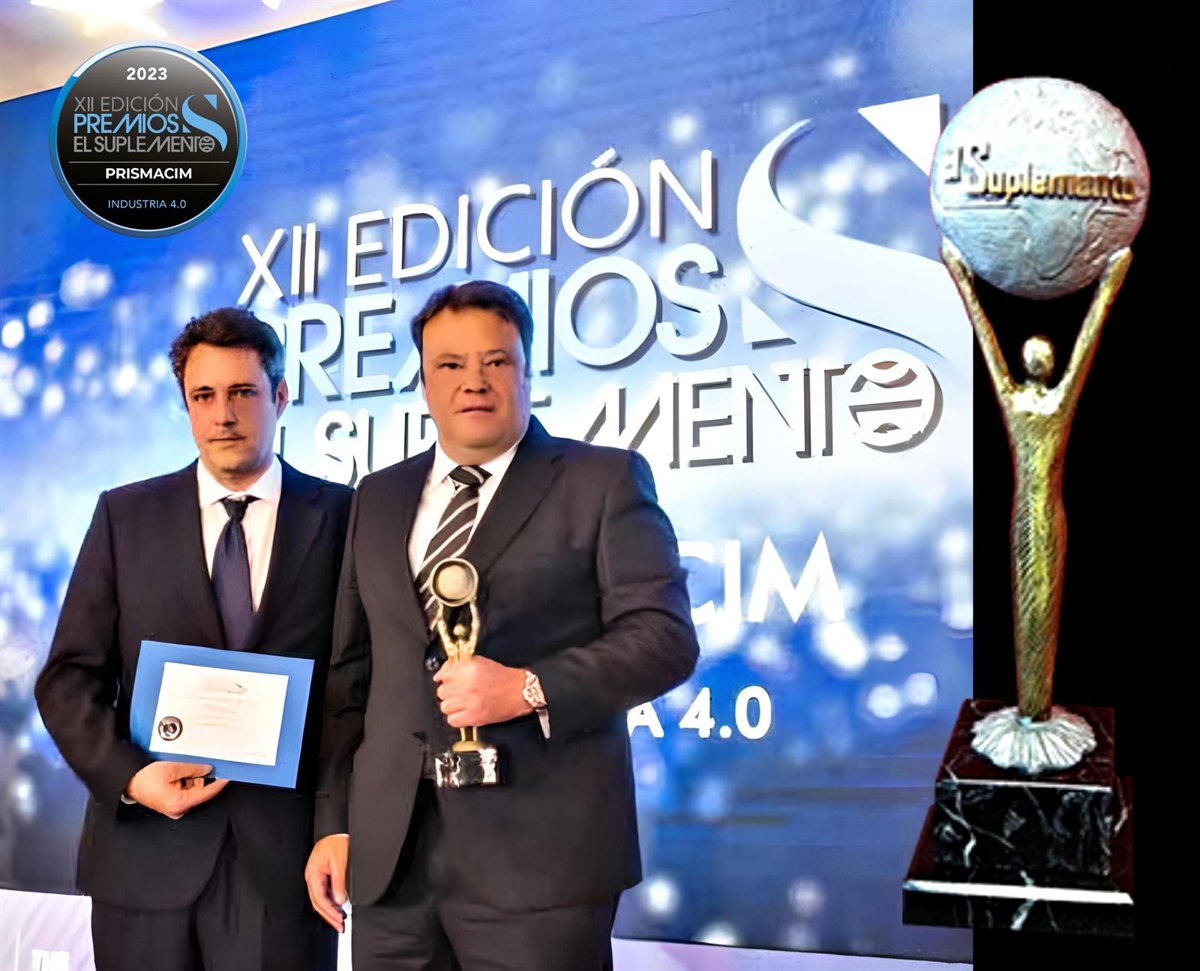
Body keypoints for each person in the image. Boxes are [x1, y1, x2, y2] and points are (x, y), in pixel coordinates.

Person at [306, 281, 699, 971]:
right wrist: (334, 821)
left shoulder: (602, 480)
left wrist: (527, 688)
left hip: (540, 864)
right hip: (391, 863)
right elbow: (351, 675)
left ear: (526, 370)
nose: (474, 381)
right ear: (424, 381)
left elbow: (663, 639)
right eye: (450, 364)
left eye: (495, 361)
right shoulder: (378, 495)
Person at [35, 308, 352, 971]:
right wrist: (130, 777)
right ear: (185, 405)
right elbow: (68, 679)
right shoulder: (124, 516)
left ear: (280, 395)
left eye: (242, 392)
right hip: (145, 856)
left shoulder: (347, 517)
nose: (223, 415)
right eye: (203, 396)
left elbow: (359, 689)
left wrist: (339, 823)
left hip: (287, 866)